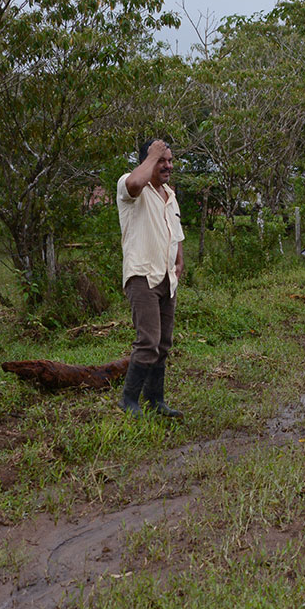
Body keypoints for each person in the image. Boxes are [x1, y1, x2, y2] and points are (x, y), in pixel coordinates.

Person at [116, 138, 186, 417]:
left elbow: (176, 231)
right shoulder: (131, 185)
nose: (167, 165)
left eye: (169, 160)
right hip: (142, 275)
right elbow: (134, 184)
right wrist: (150, 156)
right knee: (148, 340)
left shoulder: (169, 193)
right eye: (161, 160)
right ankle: (128, 400)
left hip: (167, 277)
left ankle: (155, 400)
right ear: (146, 161)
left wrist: (180, 261)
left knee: (163, 342)